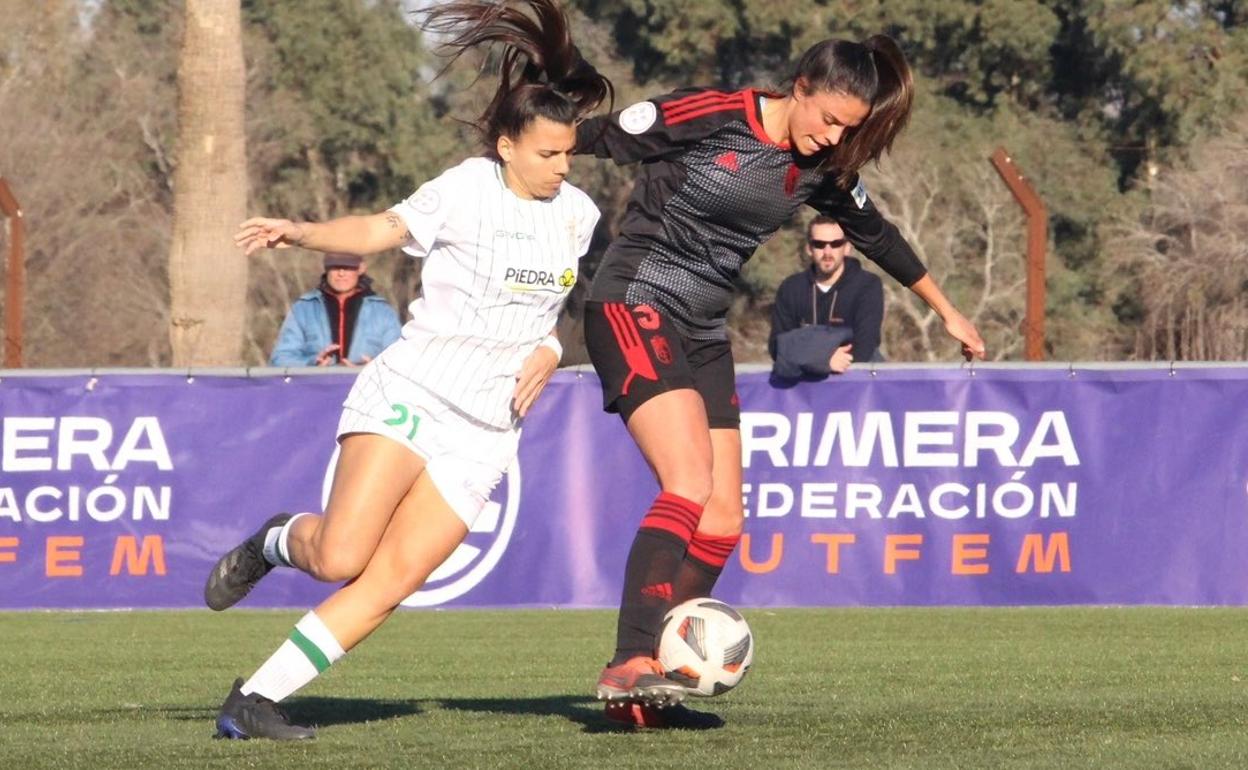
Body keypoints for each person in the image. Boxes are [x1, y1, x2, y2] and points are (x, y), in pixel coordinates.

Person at [204, 0, 609, 740]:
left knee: (393, 580)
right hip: (416, 390)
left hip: (488, 429)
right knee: (341, 556)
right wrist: (302, 232)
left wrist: (551, 349)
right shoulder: (465, 188)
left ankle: (253, 700)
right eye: (548, 154)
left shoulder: (578, 213)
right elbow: (380, 229)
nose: (562, 167)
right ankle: (275, 540)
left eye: (569, 154)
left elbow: (556, 309)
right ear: (507, 146)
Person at [574, 35, 987, 727]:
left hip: (703, 329)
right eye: (828, 118)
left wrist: (947, 311)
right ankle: (630, 660)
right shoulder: (713, 114)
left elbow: (877, 234)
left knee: (723, 518)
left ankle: (658, 682)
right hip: (634, 300)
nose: (833, 136)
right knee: (688, 483)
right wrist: (516, 157)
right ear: (800, 87)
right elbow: (589, 137)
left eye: (848, 128)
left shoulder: (823, 167)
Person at [768, 215, 883, 378]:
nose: (827, 252)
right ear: (809, 248)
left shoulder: (867, 286)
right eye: (819, 244)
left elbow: (865, 346)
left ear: (847, 247)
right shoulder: (790, 288)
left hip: (854, 383)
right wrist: (823, 361)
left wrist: (806, 353)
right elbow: (778, 346)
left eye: (835, 244)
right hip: (802, 387)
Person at [269, 252, 401, 367]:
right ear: (326, 269)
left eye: (348, 267)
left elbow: (400, 361)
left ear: (361, 269)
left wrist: (372, 368)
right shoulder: (303, 309)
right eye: (335, 267)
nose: (341, 273)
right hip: (316, 387)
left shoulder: (384, 312)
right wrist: (313, 363)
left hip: (367, 387)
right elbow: (280, 359)